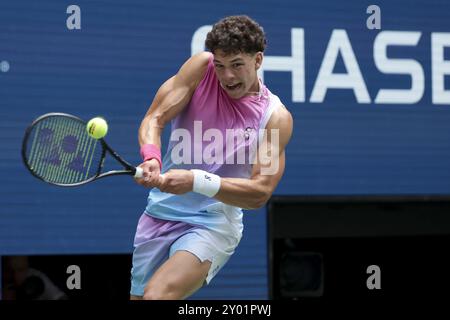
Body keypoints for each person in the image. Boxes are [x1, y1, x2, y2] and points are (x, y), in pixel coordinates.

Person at [131, 15, 293, 300]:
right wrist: (152, 157)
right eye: (220, 65)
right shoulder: (199, 69)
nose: (227, 76)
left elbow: (259, 192)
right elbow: (155, 118)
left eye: (236, 65)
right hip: (159, 213)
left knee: (156, 297)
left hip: (212, 223)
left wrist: (196, 180)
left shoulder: (275, 118)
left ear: (258, 60)